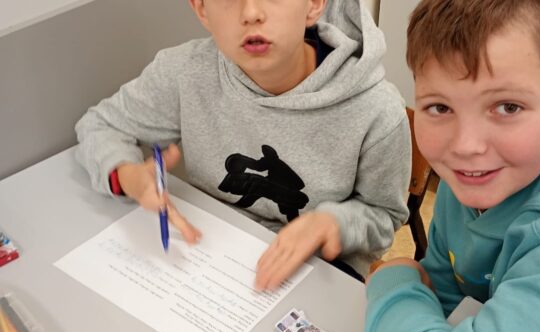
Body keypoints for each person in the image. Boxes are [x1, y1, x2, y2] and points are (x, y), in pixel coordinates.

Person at [75, 0, 411, 290]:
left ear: (314, 4)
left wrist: (334, 222)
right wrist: (125, 174)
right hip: (208, 264)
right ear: (201, 9)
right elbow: (99, 125)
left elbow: (384, 214)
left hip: (319, 278)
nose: (250, 13)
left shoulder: (377, 111)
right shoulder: (184, 72)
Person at [364, 0, 540, 332]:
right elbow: (442, 285)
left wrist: (392, 284)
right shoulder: (486, 175)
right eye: (440, 107)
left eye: (508, 107)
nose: (465, 146)